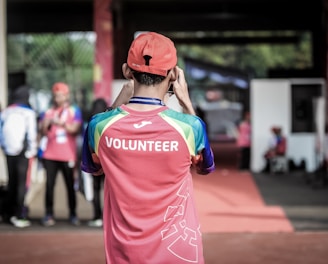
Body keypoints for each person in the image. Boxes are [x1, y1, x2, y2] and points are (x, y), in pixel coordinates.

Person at [81, 32, 215, 264]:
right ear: (173, 74)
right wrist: (187, 104)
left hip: (124, 254)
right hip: (179, 253)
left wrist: (115, 107)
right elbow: (205, 167)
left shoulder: (99, 125)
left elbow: (95, 169)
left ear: (126, 71)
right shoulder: (190, 126)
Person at [39, 82, 82, 226]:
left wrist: (61, 123)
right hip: (50, 155)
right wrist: (46, 123)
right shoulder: (48, 112)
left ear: (66, 96)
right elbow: (42, 131)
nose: (58, 98)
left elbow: (75, 129)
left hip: (67, 154)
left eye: (61, 95)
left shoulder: (73, 111)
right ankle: (49, 213)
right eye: (56, 95)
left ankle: (73, 213)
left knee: (70, 185)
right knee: (49, 186)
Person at [0, 85, 38, 228]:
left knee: (12, 182)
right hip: (23, 153)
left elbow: (0, 131)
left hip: (9, 152)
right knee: (22, 184)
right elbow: (32, 133)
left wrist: (4, 148)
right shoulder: (28, 112)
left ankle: (8, 214)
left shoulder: (6, 112)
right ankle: (19, 215)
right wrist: (31, 151)